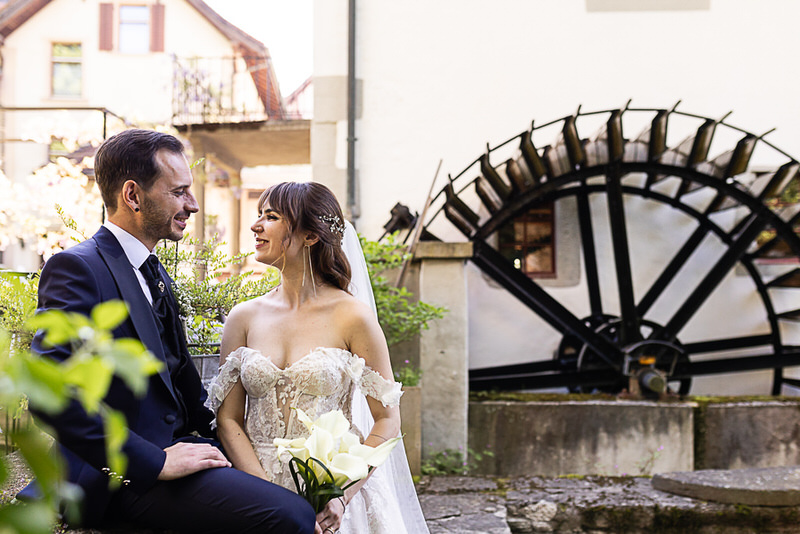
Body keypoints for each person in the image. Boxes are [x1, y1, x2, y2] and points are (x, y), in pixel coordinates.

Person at [20, 130, 315, 533]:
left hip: (183, 450)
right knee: (292, 517)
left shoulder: (153, 270)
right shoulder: (78, 268)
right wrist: (155, 462)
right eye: (178, 192)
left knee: (297, 493)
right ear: (133, 196)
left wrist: (233, 441)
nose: (192, 205)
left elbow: (179, 380)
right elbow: (51, 396)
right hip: (121, 477)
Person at [205, 182, 429, 534]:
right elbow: (229, 419)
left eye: (272, 216)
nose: (256, 225)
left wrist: (340, 494)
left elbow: (386, 421)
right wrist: (262, 493)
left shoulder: (353, 317)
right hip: (252, 488)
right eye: (259, 215)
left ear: (310, 236)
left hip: (330, 495)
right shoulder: (243, 317)